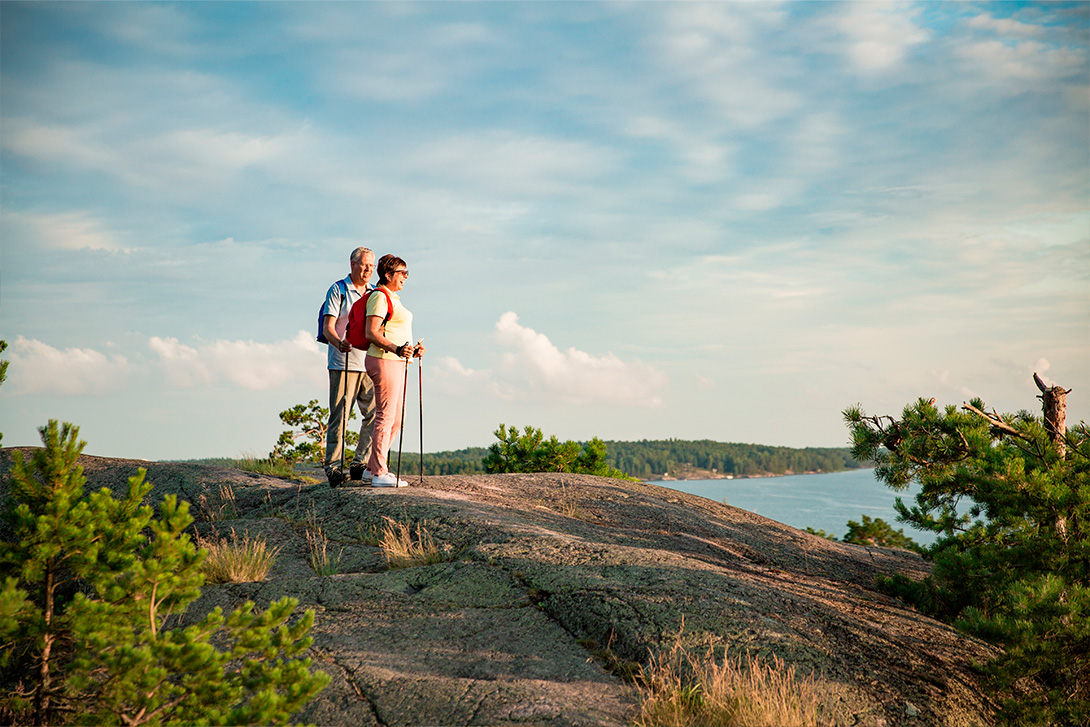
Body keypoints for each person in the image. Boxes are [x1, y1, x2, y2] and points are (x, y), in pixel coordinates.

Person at [364, 254, 425, 487]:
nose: (406, 277)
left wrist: (411, 350)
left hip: (396, 361)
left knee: (396, 420)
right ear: (388, 275)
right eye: (402, 272)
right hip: (384, 360)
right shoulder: (379, 296)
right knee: (386, 417)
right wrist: (398, 349)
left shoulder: (393, 298)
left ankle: (372, 468)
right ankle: (380, 472)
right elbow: (372, 332)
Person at [321, 247, 377, 487]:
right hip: (342, 362)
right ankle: (333, 467)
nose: (368, 270)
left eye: (371, 266)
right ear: (352, 264)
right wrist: (338, 343)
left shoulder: (375, 292)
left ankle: (359, 463)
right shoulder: (338, 289)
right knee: (340, 416)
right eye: (364, 265)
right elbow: (328, 327)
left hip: (370, 362)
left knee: (376, 414)